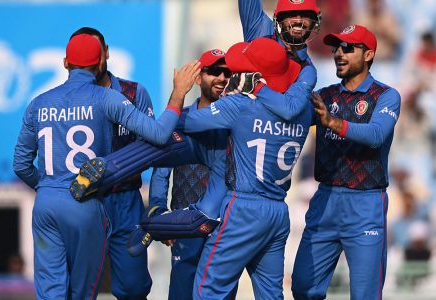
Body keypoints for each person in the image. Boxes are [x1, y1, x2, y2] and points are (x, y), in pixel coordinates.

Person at [13, 33, 199, 299]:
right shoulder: (105, 99)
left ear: (66, 62)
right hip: (88, 201)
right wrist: (179, 94)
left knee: (119, 287)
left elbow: (21, 164)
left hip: (113, 200)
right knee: (82, 289)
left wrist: (48, 188)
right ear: (100, 59)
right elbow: (160, 136)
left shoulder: (42, 102)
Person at [177, 37, 314, 299]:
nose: (235, 74)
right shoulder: (304, 110)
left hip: (243, 208)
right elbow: (301, 85)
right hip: (277, 210)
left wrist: (177, 94)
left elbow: (181, 122)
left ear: (257, 76)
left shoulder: (241, 106)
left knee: (208, 289)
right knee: (271, 294)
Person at [291, 25, 401, 300]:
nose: (339, 53)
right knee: (303, 288)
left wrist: (332, 122)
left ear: (368, 54)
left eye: (348, 48)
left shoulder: (385, 96)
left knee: (365, 295)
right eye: (336, 48)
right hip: (325, 201)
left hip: (365, 204)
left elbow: (376, 135)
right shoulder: (325, 96)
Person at [70, 27, 153, 299]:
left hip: (126, 202)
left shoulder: (134, 93)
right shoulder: (66, 99)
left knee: (133, 286)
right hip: (84, 202)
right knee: (78, 287)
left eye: (95, 51)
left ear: (106, 53)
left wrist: (159, 201)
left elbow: (155, 145)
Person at [148, 49, 233, 299]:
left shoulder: (237, 120)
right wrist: (158, 212)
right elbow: (161, 169)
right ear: (197, 78)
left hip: (224, 226)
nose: (222, 77)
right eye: (214, 72)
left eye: (227, 72)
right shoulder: (180, 119)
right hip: (185, 224)